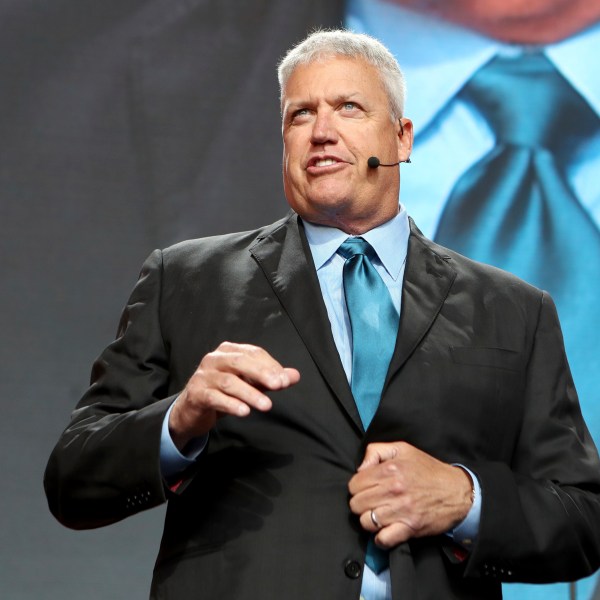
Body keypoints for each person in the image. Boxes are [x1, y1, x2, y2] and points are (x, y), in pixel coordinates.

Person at [44, 30, 600, 600]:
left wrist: (466, 499)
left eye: (348, 108)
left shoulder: (513, 310)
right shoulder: (185, 280)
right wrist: (178, 421)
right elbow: (72, 481)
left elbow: (584, 518)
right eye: (299, 115)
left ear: (403, 138)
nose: (321, 132)